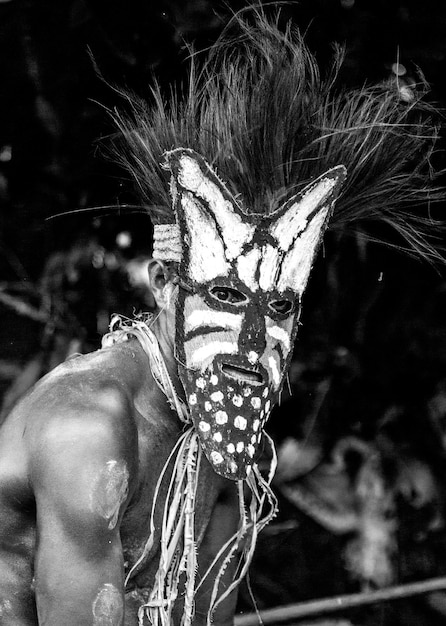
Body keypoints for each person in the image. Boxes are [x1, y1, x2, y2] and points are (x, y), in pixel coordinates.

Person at [0, 10, 443, 626]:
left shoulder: (222, 429)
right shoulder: (87, 431)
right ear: (163, 284)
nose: (254, 341)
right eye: (229, 297)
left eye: (281, 307)